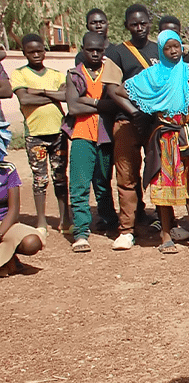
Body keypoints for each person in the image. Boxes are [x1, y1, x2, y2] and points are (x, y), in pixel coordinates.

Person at [116, 30, 189, 254]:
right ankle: (166, 236)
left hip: (185, 135)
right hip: (163, 137)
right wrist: (144, 106)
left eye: (177, 46)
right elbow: (120, 90)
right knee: (163, 186)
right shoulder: (152, 75)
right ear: (161, 50)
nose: (174, 51)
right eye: (168, 48)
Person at [65, 32, 123, 252]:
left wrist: (87, 101)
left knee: (103, 184)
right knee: (79, 185)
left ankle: (109, 221)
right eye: (91, 50)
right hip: (82, 134)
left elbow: (114, 105)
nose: (96, 54)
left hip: (105, 135)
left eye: (100, 50)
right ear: (83, 49)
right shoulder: (74, 74)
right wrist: (100, 104)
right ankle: (81, 232)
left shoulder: (111, 73)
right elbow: (73, 108)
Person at [106, 3, 158, 250]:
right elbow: (111, 89)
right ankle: (126, 229)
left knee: (158, 171)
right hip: (126, 121)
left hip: (155, 121)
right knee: (126, 174)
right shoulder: (117, 53)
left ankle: (161, 223)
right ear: (126, 26)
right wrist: (135, 113)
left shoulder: (159, 50)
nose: (139, 28)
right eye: (134, 24)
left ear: (149, 22)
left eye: (143, 23)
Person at [10, 34, 70, 234]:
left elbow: (64, 95)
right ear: (24, 53)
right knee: (40, 179)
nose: (36, 54)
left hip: (58, 133)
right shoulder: (19, 74)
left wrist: (39, 91)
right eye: (31, 52)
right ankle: (42, 221)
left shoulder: (55, 74)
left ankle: (64, 219)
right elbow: (24, 100)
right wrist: (52, 96)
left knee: (60, 176)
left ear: (45, 50)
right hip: (35, 135)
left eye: (39, 50)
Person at [0, 160, 45, 278]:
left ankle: (8, 258)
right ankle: (8, 262)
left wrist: (0, 233)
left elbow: (13, 209)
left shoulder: (8, 169)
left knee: (32, 242)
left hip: (5, 223)